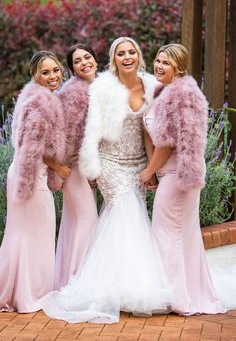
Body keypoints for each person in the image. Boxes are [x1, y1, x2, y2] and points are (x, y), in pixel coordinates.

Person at [39, 37, 174, 323]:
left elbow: (148, 132)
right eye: (120, 53)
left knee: (127, 220)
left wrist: (151, 169)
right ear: (113, 59)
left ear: (139, 55)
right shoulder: (103, 87)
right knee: (128, 213)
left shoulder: (152, 86)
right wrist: (93, 169)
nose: (127, 57)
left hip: (137, 163)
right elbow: (92, 132)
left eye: (131, 52)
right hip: (110, 164)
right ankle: (132, 289)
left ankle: (122, 282)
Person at [140, 43, 224, 315]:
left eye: (165, 62)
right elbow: (152, 135)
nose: (159, 66)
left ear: (178, 66)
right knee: (181, 234)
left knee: (167, 234)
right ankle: (186, 293)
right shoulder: (162, 92)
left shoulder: (181, 95)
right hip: (168, 174)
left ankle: (175, 297)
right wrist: (155, 170)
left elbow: (167, 143)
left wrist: (149, 171)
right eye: (157, 61)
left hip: (179, 175)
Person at [0, 50, 68, 313]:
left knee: (21, 234)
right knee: (34, 233)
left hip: (23, 172)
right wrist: (59, 167)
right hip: (29, 175)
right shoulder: (41, 103)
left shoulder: (33, 97)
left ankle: (16, 291)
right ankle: (29, 294)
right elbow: (32, 147)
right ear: (35, 75)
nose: (53, 76)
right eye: (45, 72)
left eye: (56, 70)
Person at [53, 44, 98, 289]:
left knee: (75, 222)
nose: (84, 63)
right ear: (72, 69)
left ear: (96, 60)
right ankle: (79, 283)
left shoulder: (100, 86)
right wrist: (79, 167)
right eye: (78, 61)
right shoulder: (74, 93)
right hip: (74, 167)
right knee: (87, 219)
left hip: (86, 167)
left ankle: (67, 281)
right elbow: (67, 136)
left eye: (87, 57)